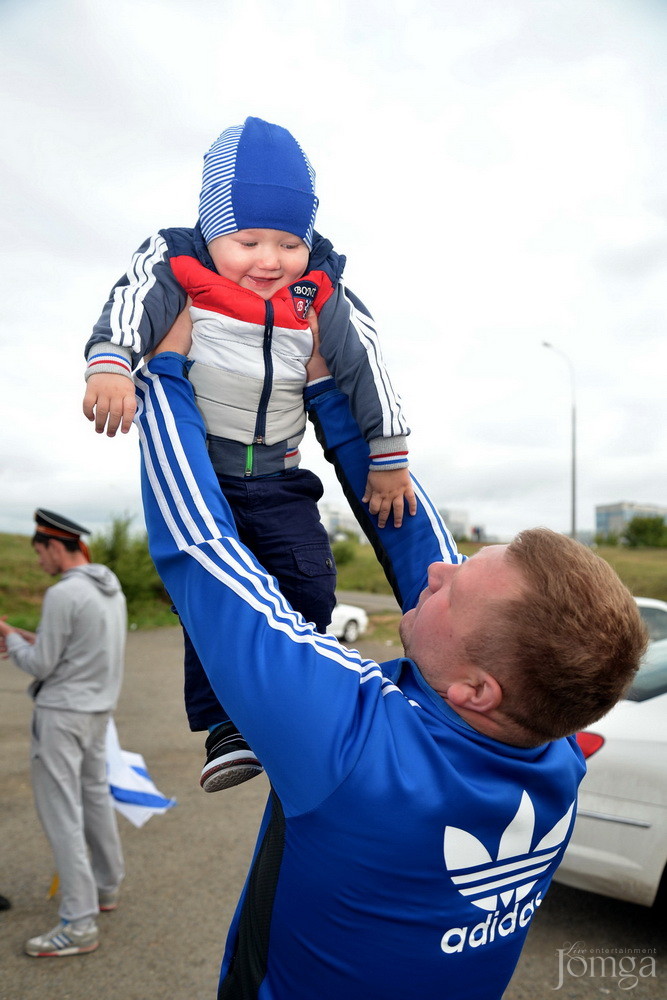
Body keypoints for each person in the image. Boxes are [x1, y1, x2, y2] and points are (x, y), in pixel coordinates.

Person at [134, 351, 647, 1000]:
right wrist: (325, 383)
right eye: (463, 563)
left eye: (452, 591)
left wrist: (160, 373)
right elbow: (414, 537)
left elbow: (201, 549)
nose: (436, 573)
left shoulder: (352, 751)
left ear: (476, 690)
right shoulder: (555, 742)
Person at [82, 116, 416, 792]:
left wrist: (389, 453)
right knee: (209, 591)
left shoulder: (316, 290)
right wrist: (111, 364)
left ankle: (294, 694)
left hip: (276, 471)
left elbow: (364, 366)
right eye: (248, 240)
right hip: (199, 468)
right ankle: (225, 729)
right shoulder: (179, 263)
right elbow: (131, 304)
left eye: (289, 242)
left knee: (309, 581)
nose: (270, 259)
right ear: (211, 230)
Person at [0, 511, 126, 958]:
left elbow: (41, 665)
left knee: (62, 815)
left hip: (61, 716)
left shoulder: (63, 593)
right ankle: (107, 887)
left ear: (55, 546)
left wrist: (9, 639)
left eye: (38, 553)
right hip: (97, 712)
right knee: (93, 799)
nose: (38, 562)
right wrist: (22, 636)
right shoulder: (107, 587)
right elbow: (73, 648)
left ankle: (78, 924)